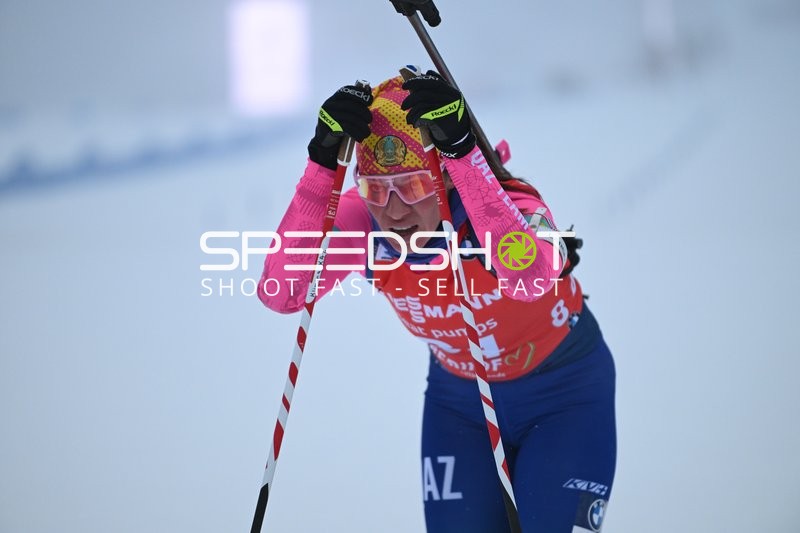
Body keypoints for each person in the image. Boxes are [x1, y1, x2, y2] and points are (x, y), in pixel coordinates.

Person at [258, 71, 616, 533]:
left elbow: (530, 279)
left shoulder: (503, 205)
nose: (394, 210)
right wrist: (322, 165)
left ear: (444, 178)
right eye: (375, 189)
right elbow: (281, 292)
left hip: (563, 396)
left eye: (411, 186)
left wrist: (463, 153)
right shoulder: (363, 221)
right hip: (460, 404)